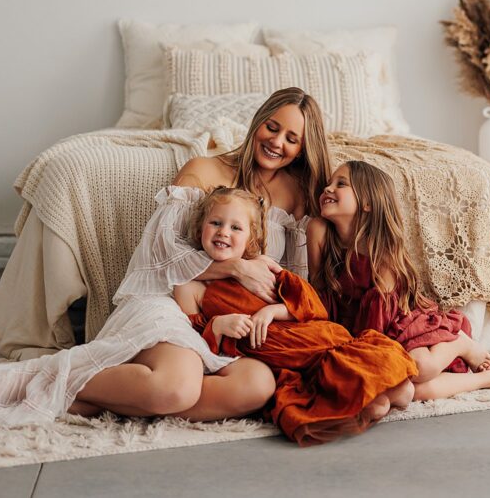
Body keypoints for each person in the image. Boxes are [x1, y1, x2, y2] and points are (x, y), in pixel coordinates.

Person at [0, 88, 331, 437]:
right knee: (175, 388)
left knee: (257, 387)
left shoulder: (295, 196)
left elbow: (293, 283)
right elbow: (157, 257)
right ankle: (46, 381)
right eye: (272, 127)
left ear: (304, 147)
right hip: (167, 304)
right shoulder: (204, 170)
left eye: (293, 138)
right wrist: (233, 267)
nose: (278, 142)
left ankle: (106, 398)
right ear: (258, 123)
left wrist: (271, 309)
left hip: (229, 322)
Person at [174, 186, 416, 446]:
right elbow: (191, 342)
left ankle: (463, 375)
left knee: (405, 391)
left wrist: (273, 310)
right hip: (290, 366)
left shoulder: (261, 266)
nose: (223, 232)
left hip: (320, 341)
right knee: (378, 405)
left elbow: (312, 303)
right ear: (201, 230)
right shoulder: (190, 287)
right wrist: (218, 325)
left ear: (250, 240)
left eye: (236, 228)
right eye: (216, 223)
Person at [307, 160, 490, 401]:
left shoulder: (382, 251)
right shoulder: (318, 230)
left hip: (396, 323)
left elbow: (380, 317)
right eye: (328, 183)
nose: (328, 188)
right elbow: (317, 292)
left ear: (367, 202)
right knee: (415, 391)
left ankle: (461, 344)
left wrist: (371, 358)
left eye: (341, 184)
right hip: (352, 325)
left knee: (420, 367)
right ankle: (487, 379)